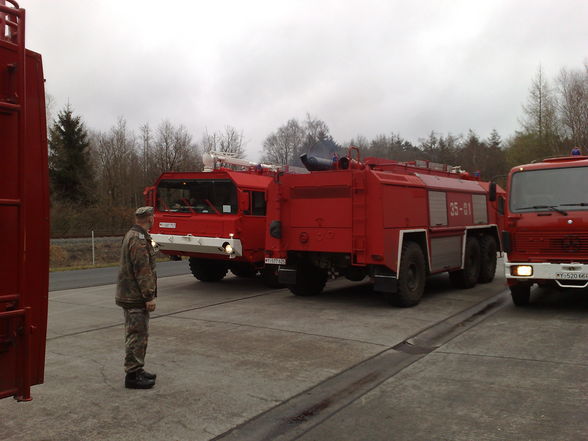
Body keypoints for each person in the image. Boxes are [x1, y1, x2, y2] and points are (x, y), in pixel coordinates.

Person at [115, 206, 158, 389]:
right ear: (149, 218)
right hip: (135, 296)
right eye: (153, 217)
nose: (154, 219)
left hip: (131, 294)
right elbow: (143, 270)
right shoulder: (138, 239)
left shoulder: (133, 235)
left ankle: (137, 369)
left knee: (138, 334)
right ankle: (132, 375)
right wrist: (149, 296)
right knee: (137, 335)